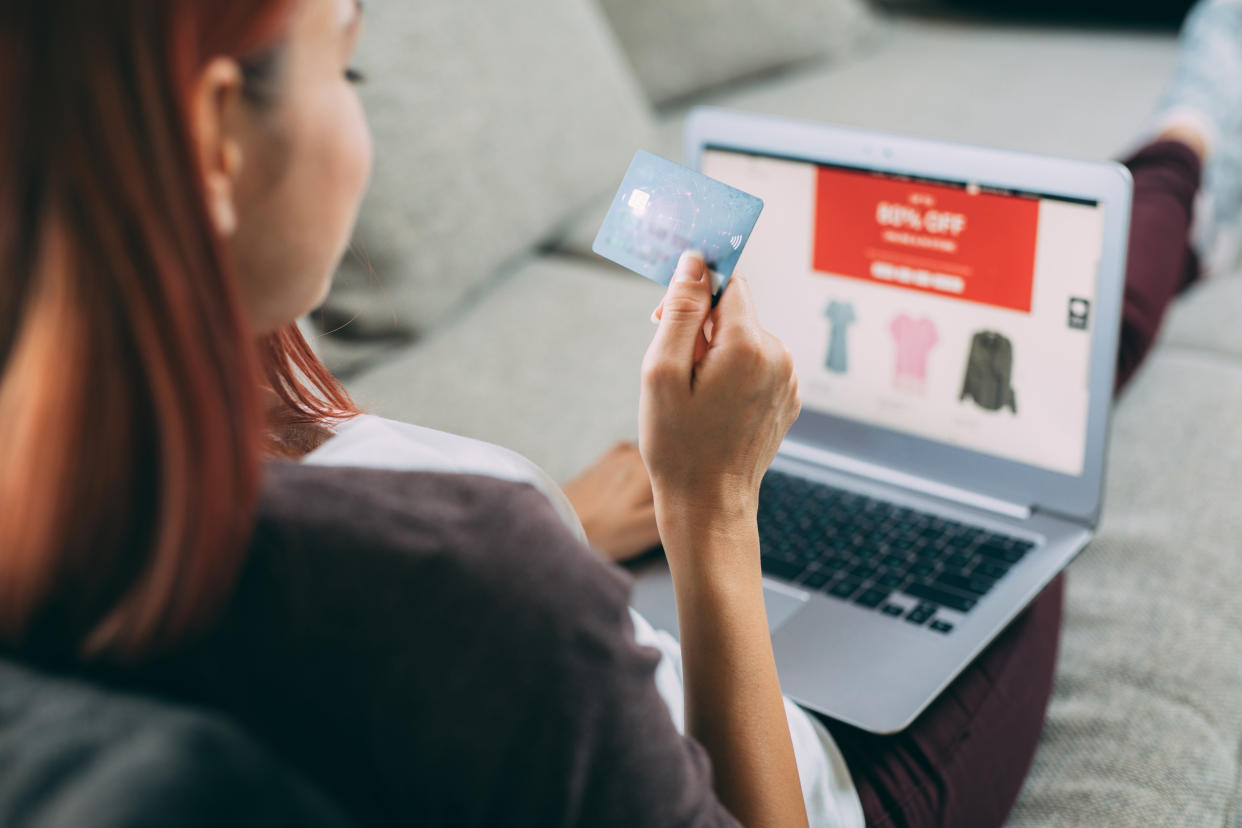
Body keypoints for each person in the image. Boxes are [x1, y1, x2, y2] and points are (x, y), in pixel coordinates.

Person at [0, 0, 1233, 825]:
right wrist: (712, 507)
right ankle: (1190, 140)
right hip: (792, 771)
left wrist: (567, 521)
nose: (362, 117)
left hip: (603, 604)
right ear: (219, 137)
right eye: (351, 62)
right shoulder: (478, 586)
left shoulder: (92, 473)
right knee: (1038, 433)